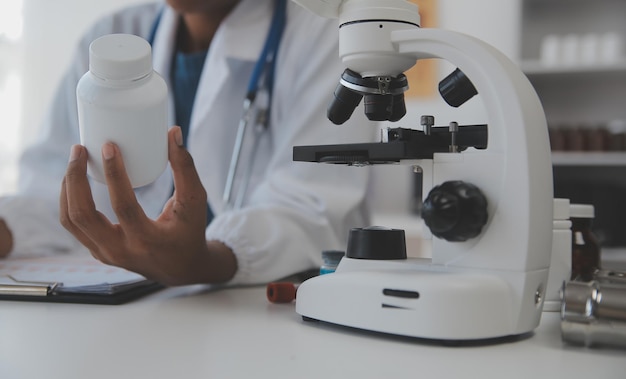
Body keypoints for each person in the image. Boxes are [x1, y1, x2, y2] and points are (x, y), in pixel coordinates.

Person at [0, 0, 376, 286]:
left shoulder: (329, 33)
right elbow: (57, 194)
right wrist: (6, 228)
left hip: (267, 313)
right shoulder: (110, 36)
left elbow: (312, 206)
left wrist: (205, 261)